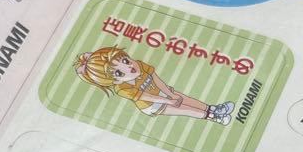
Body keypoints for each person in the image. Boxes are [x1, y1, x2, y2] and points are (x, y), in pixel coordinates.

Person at [75, 46, 233, 124]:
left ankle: (213, 109)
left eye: (125, 60)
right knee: (185, 109)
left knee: (186, 99)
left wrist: (170, 94)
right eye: (119, 73)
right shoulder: (122, 88)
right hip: (152, 105)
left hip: (162, 92)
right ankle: (214, 117)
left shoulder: (139, 64)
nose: (129, 67)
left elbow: (157, 80)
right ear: (114, 81)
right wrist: (168, 100)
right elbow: (146, 97)